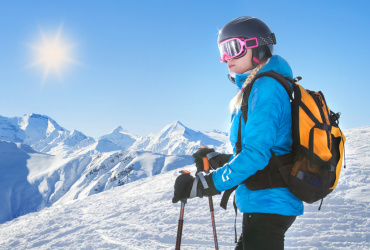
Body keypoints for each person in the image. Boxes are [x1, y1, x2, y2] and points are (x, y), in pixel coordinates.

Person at [172, 16, 304, 249]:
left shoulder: (267, 88)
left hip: (268, 204)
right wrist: (219, 160)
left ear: (258, 47)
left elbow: (256, 156)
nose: (225, 58)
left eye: (233, 48)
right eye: (222, 50)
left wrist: (203, 185)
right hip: (263, 202)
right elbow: (265, 151)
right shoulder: (257, 87)